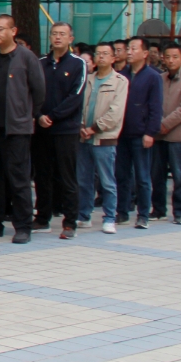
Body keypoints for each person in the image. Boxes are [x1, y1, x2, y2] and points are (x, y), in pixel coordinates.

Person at [0, 15, 45, 244]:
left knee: (18, 178)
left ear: (13, 31)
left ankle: (23, 225)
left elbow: (39, 90)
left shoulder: (26, 57)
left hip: (15, 128)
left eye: (1, 29)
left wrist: (27, 113)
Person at [33, 22, 86, 233]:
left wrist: (53, 116)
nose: (57, 37)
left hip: (66, 129)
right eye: (54, 33)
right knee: (42, 175)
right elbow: (31, 91)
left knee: (67, 176)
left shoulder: (78, 64)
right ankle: (42, 217)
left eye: (62, 34)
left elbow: (75, 96)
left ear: (70, 39)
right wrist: (38, 116)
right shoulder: (40, 63)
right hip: (41, 129)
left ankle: (70, 221)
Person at [77, 44, 127, 235]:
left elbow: (115, 112)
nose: (101, 57)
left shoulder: (120, 82)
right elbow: (79, 105)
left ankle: (109, 218)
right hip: (84, 138)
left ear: (113, 58)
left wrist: (94, 128)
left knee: (107, 181)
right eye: (98, 54)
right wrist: (82, 126)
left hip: (104, 139)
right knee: (84, 180)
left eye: (106, 54)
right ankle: (84, 215)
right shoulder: (87, 79)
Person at [115, 36, 163, 228]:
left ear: (145, 53)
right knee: (121, 175)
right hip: (121, 133)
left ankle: (143, 214)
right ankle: (122, 211)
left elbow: (156, 107)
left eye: (134, 48)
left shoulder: (153, 76)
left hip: (141, 133)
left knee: (142, 177)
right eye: (128, 48)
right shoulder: (121, 75)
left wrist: (151, 132)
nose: (129, 52)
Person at [153, 43, 181, 224]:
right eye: (168, 57)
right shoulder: (159, 79)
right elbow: (154, 103)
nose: (171, 60)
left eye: (175, 57)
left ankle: (179, 211)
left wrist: (165, 124)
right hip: (159, 135)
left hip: (179, 135)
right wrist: (158, 123)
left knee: (179, 175)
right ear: (163, 58)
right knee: (157, 174)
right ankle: (158, 209)